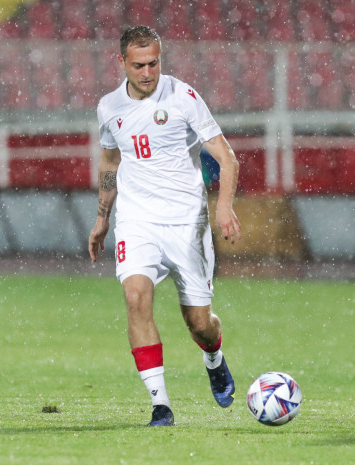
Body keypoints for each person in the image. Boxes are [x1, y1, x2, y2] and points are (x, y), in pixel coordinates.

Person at [87, 25, 242, 427]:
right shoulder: (109, 107)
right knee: (136, 297)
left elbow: (228, 159)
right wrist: (103, 218)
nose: (147, 72)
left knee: (200, 323)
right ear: (121, 62)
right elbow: (109, 162)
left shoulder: (183, 97)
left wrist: (223, 207)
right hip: (137, 222)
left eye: (154, 62)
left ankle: (214, 358)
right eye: (138, 65)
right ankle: (161, 405)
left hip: (187, 223)